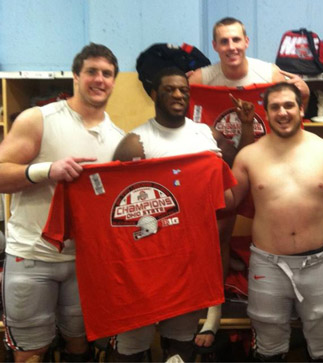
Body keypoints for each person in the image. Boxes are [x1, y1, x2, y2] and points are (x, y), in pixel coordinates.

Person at [188, 16, 311, 350]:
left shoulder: (268, 74)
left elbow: (301, 97)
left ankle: (285, 299)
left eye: (236, 40)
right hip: (220, 169)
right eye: (224, 42)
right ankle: (214, 308)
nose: (231, 47)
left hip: (265, 165)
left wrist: (304, 88)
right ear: (215, 46)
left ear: (246, 41)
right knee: (218, 237)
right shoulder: (200, 78)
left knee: (281, 229)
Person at [0, 43, 124, 362]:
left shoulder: (117, 138)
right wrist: (47, 170)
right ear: (75, 76)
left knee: (80, 346)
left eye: (107, 74)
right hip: (32, 256)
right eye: (92, 72)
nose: (99, 79)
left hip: (84, 262)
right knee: (32, 352)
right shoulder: (38, 119)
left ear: (114, 80)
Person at [230, 82, 323, 361]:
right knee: (268, 346)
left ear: (301, 109)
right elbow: (228, 202)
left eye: (289, 105)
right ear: (266, 113)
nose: (283, 112)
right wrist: (205, 175)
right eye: (275, 106)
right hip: (267, 264)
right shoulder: (249, 155)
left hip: (318, 264)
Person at [111, 67, 233, 362]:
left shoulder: (205, 134)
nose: (179, 95)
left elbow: (231, 163)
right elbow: (117, 206)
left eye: (184, 90)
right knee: (131, 349)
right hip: (145, 265)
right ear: (154, 94)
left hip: (187, 263)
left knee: (179, 347)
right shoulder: (135, 142)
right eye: (169, 90)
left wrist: (217, 164)